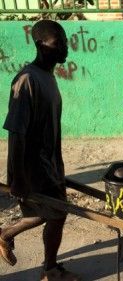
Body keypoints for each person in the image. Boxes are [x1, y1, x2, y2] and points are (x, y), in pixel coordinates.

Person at [0, 20, 80, 281]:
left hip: (50, 163)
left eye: (65, 42)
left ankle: (43, 262)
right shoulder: (27, 80)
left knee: (53, 212)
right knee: (55, 212)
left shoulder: (47, 77)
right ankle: (49, 269)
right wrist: (18, 177)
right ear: (40, 45)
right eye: (58, 43)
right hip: (33, 166)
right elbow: (17, 132)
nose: (64, 48)